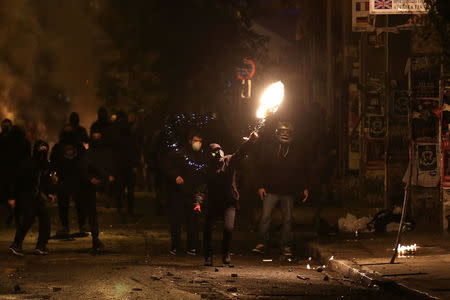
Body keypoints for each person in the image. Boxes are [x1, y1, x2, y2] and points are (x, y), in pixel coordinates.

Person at [195, 131, 258, 266]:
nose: (218, 152)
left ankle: (226, 253)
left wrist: (250, 141)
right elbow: (202, 188)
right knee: (207, 228)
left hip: (228, 202)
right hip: (213, 202)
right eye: (214, 150)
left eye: (219, 149)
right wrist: (198, 202)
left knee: (228, 228)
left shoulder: (229, 160)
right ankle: (208, 256)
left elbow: (240, 153)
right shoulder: (207, 169)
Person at [252, 121, 310, 257]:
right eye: (282, 131)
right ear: (277, 132)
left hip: (288, 191)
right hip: (271, 190)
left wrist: (305, 188)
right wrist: (260, 186)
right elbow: (261, 168)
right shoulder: (269, 149)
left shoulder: (296, 151)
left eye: (288, 132)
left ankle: (286, 246)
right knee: (265, 217)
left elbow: (302, 171)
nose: (285, 134)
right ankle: (261, 244)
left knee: (287, 219)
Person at [8, 140, 56, 256]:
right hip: (25, 194)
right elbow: (17, 181)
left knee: (44, 219)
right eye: (41, 150)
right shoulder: (28, 164)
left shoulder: (44, 164)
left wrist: (48, 192)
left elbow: (44, 180)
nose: (43, 152)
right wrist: (12, 197)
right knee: (28, 219)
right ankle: (16, 244)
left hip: (36, 194)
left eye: (45, 150)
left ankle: (41, 246)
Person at [162, 130, 206, 255]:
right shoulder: (179, 154)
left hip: (192, 193)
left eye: (200, 141)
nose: (198, 143)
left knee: (193, 221)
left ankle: (192, 246)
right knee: (176, 221)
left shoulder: (200, 156)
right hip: (178, 193)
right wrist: (176, 176)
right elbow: (167, 167)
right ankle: (176, 246)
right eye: (195, 140)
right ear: (190, 141)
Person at [80, 127, 117, 252]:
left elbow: (109, 165)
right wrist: (90, 179)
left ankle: (97, 239)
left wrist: (109, 176)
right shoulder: (88, 153)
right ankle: (95, 238)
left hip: (103, 185)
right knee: (93, 214)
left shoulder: (105, 152)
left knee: (98, 213)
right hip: (91, 186)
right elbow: (84, 168)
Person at [50, 129, 86, 237]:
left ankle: (74, 226)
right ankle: (77, 225)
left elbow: (53, 161)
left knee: (72, 204)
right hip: (68, 178)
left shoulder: (76, 147)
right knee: (69, 204)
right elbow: (53, 161)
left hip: (71, 178)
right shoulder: (77, 147)